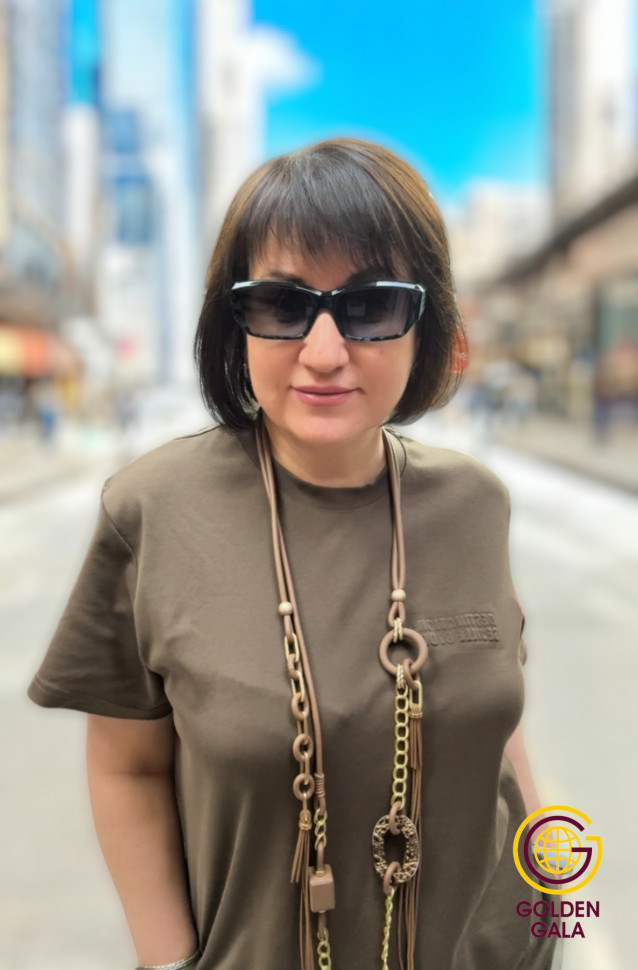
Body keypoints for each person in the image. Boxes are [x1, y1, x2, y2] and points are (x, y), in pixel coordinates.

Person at [29, 137, 556, 970]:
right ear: (232, 322)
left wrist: (553, 903)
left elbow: (497, 730)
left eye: (371, 305)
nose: (323, 350)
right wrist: (168, 961)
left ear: (425, 323)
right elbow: (127, 767)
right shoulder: (153, 511)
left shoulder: (474, 504)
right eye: (281, 304)